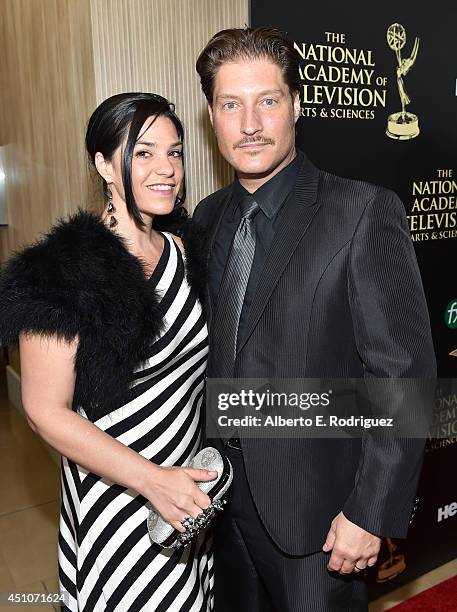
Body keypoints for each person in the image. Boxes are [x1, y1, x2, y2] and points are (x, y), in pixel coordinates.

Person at [193, 27, 436, 611]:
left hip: (320, 520)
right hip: (220, 509)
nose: (250, 122)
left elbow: (402, 373)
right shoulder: (207, 216)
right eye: (232, 104)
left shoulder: (362, 211)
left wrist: (369, 513)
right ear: (211, 117)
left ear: (296, 106)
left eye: (267, 101)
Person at [0, 93, 217, 611]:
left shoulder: (185, 250)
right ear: (102, 163)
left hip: (186, 497)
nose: (166, 168)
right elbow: (43, 412)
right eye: (143, 153)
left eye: (176, 151)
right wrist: (151, 480)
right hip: (116, 503)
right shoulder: (61, 271)